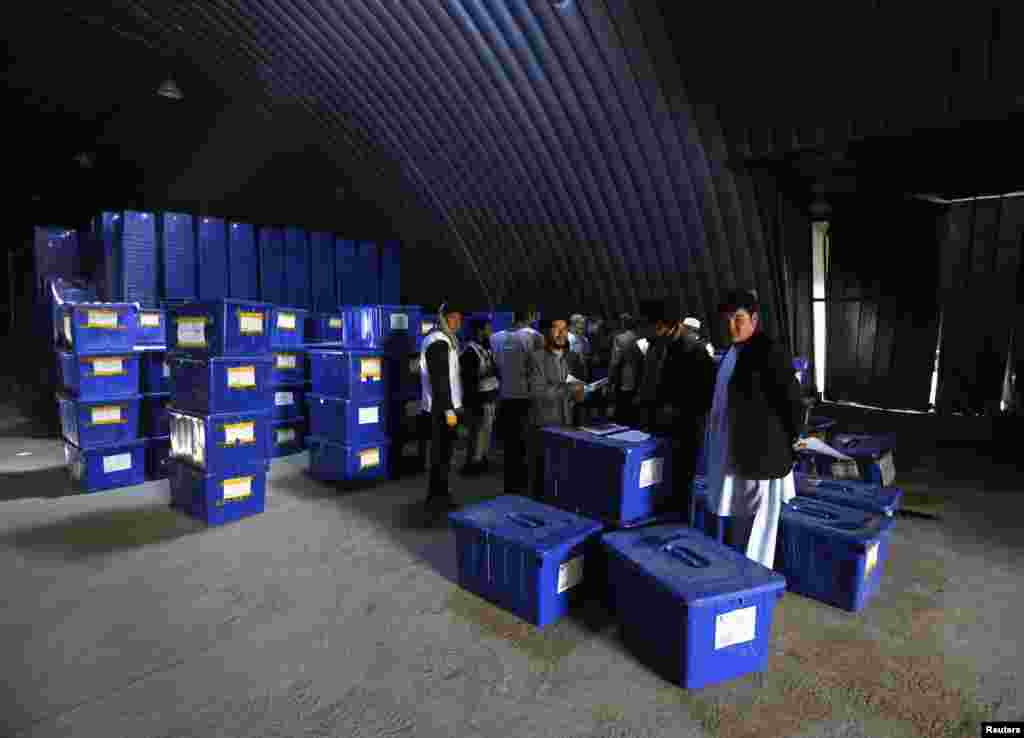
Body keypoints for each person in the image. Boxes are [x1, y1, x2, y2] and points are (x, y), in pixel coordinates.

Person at [702, 289, 803, 567]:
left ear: (754, 319)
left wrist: (794, 437)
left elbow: (792, 401)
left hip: (761, 455)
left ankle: (754, 579)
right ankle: (738, 571)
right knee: (740, 518)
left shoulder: (769, 352)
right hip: (737, 453)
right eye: (727, 319)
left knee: (758, 525)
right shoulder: (733, 353)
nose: (732, 325)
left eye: (739, 318)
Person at [659, 305, 716, 516]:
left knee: (682, 462)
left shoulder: (687, 349)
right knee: (685, 463)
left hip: (686, 416)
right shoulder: (690, 348)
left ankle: (679, 505)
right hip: (689, 416)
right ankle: (682, 506)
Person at [526, 317, 586, 499]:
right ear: (546, 332)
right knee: (541, 476)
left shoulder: (573, 357)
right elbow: (537, 392)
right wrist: (569, 389)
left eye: (564, 329)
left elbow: (577, 389)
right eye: (556, 328)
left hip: (568, 424)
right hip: (544, 425)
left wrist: (582, 393)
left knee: (562, 475)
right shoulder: (535, 358)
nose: (561, 333)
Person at [419, 302, 465, 513]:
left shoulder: (445, 339)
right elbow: (440, 379)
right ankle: (437, 499)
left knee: (443, 454)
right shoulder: (439, 341)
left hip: (442, 406)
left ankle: (440, 494)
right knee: (441, 454)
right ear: (443, 319)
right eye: (453, 318)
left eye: (460, 318)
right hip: (441, 409)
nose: (457, 322)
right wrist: (448, 410)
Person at [493, 307, 544, 495]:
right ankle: (524, 488)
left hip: (505, 397)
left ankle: (510, 487)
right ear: (531, 315)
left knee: (510, 446)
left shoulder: (495, 338)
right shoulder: (535, 337)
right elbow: (538, 369)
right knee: (526, 445)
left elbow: (496, 368)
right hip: (526, 398)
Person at [459, 317, 499, 476]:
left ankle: (481, 460)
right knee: (476, 433)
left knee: (485, 432)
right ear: (480, 330)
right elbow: (469, 382)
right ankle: (473, 464)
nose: (491, 331)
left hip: (488, 398)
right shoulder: (470, 351)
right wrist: (474, 403)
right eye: (488, 328)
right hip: (478, 401)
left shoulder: (484, 348)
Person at [608, 313, 642, 425]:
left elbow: (615, 361)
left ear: (622, 324)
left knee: (622, 409)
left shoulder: (619, 338)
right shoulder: (639, 337)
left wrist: (610, 379)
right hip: (638, 376)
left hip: (623, 376)